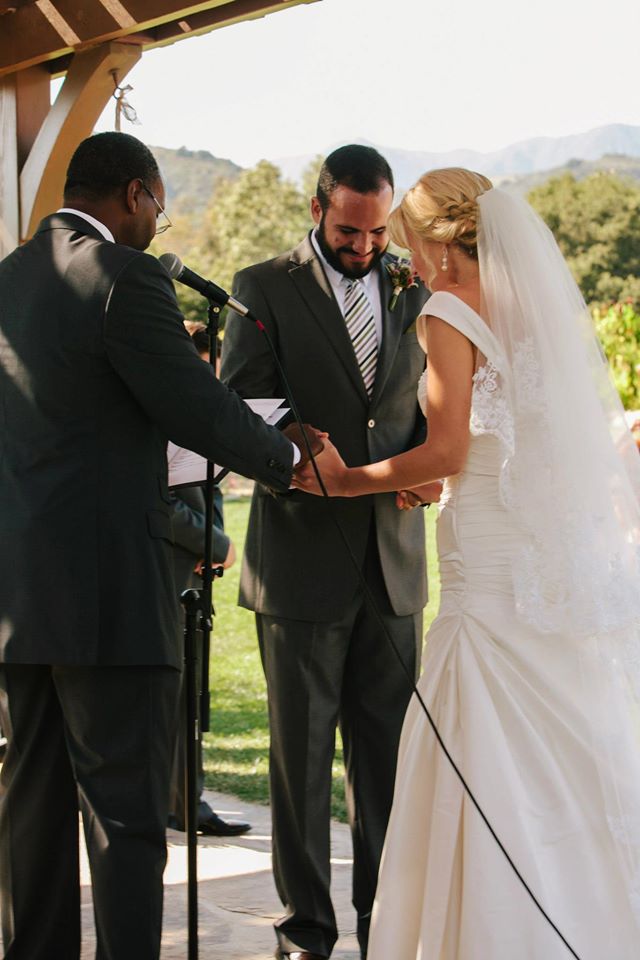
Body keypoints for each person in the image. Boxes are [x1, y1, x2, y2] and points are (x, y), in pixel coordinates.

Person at [293, 168, 640, 958]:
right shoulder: (531, 309)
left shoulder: (447, 306)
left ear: (434, 239)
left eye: (407, 243)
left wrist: (348, 480)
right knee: (557, 748)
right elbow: (517, 443)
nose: (405, 262)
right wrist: (436, 482)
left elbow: (447, 446)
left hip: (486, 554)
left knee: (477, 731)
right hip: (534, 549)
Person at [0, 131, 320, 960]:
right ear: (135, 194)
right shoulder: (125, 278)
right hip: (109, 597)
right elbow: (195, 408)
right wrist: (288, 457)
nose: (159, 221)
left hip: (17, 594)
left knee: (29, 810)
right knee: (125, 820)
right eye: (158, 204)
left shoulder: (6, 278)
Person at [221, 144, 435, 960]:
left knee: (386, 764)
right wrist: (293, 442)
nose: (367, 246)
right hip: (299, 563)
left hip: (396, 563)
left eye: (379, 231)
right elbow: (239, 399)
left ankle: (385, 922)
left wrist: (425, 467)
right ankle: (306, 930)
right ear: (319, 208)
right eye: (352, 230)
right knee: (301, 764)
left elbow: (418, 401)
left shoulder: (413, 285)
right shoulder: (260, 286)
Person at [168, 326, 250, 837]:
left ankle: (185, 800)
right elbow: (161, 492)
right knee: (168, 690)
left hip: (194, 567)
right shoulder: (164, 407)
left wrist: (211, 542)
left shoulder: (202, 411)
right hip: (167, 562)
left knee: (188, 690)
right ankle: (173, 801)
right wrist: (214, 544)